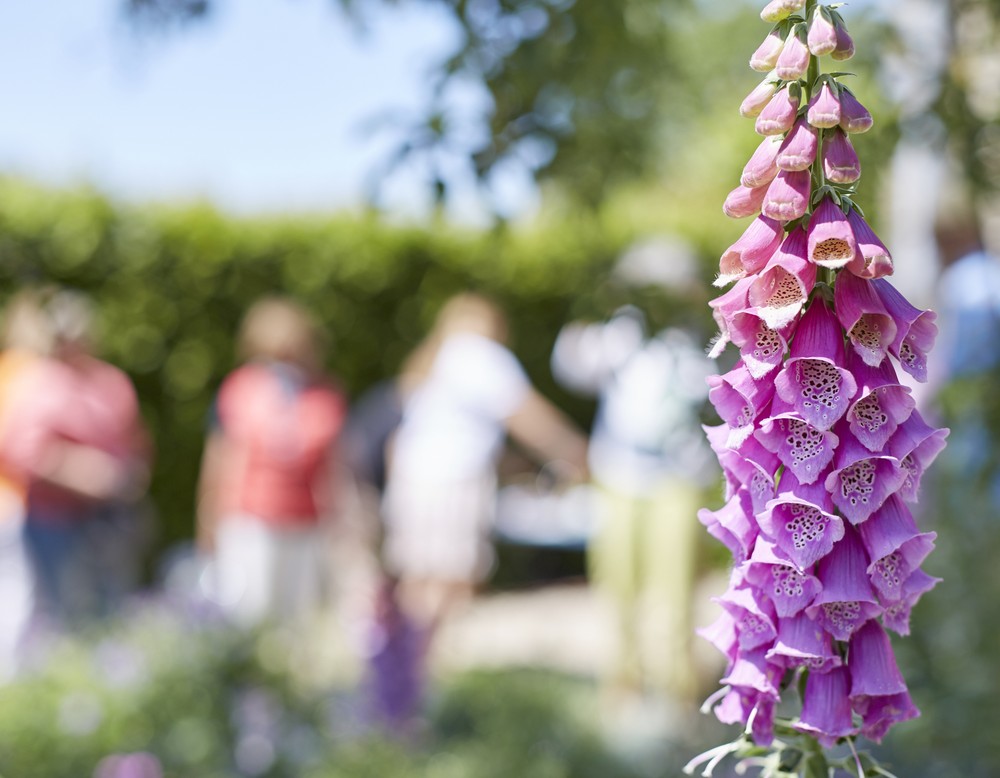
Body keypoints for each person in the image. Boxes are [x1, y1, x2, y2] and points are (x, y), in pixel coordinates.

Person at [381, 293, 589, 651]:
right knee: (451, 581)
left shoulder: (436, 359)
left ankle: (401, 676)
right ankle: (423, 671)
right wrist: (578, 453)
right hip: (453, 481)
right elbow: (526, 416)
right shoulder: (479, 354)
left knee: (418, 580)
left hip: (414, 478)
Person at [551, 307, 713, 704]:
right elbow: (569, 367)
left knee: (675, 582)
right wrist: (591, 333)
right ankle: (624, 680)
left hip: (680, 473)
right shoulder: (621, 329)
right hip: (620, 472)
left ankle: (678, 688)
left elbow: (714, 387)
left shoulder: (694, 330)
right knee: (617, 576)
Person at [0, 288, 151, 632]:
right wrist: (79, 472)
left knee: (113, 604)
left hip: (109, 518)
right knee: (60, 609)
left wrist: (127, 475)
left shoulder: (110, 381)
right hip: (53, 519)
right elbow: (18, 451)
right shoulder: (38, 382)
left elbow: (136, 440)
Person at [196, 296, 348, 628]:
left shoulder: (324, 395)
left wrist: (341, 524)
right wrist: (209, 520)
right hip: (251, 517)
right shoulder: (240, 389)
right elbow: (222, 459)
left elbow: (335, 465)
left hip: (307, 520)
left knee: (298, 617)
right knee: (250, 612)